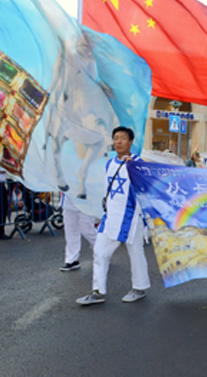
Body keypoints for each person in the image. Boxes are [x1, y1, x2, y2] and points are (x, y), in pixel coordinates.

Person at [76, 126, 150, 305]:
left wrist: (137, 168)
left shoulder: (137, 163)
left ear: (130, 142)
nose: (119, 141)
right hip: (111, 215)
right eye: (116, 138)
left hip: (131, 216)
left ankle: (139, 287)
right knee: (100, 251)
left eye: (123, 138)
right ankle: (97, 291)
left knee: (135, 251)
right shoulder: (110, 163)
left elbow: (146, 188)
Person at [60, 194, 97, 271]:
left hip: (86, 200)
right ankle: (72, 260)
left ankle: (102, 251)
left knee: (87, 230)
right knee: (70, 231)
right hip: (69, 199)